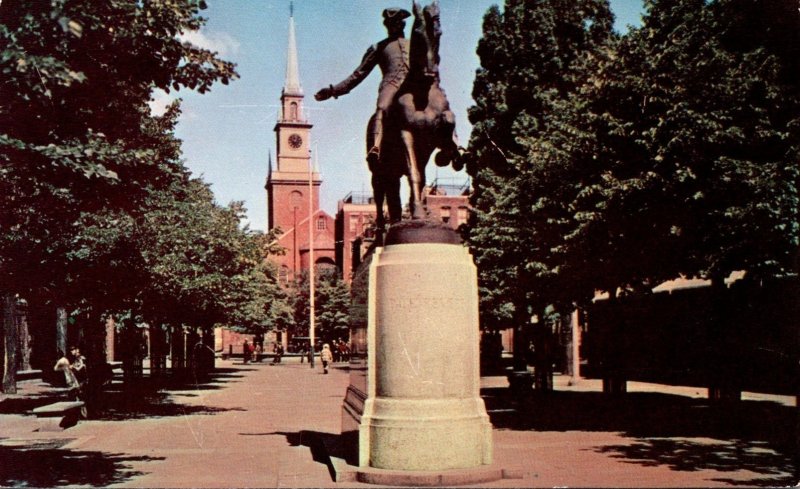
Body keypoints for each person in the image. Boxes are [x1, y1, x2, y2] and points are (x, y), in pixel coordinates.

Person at [315, 8, 412, 167]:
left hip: (412, 85)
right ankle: (376, 146)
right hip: (392, 85)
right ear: (387, 26)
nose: (395, 26)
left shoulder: (415, 45)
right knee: (382, 107)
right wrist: (333, 90)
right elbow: (358, 74)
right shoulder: (378, 48)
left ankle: (449, 143)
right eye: (391, 24)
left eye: (398, 23)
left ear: (402, 24)